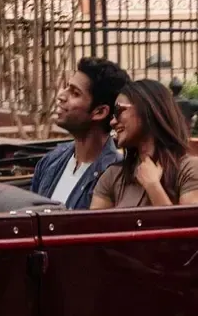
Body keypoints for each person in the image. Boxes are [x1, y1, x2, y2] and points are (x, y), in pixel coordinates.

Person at [90, 79, 198, 210]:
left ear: (147, 109)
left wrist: (153, 187)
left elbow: (192, 229)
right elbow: (95, 227)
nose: (113, 122)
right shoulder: (113, 175)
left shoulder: (191, 168)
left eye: (119, 111)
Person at [29, 57, 128, 210]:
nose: (61, 96)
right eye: (67, 87)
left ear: (100, 112)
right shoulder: (51, 161)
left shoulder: (116, 175)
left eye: (75, 93)